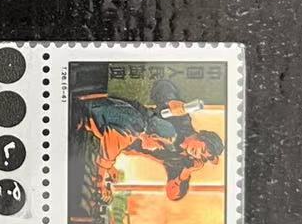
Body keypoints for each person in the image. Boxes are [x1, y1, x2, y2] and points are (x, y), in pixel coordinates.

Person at [78, 78, 223, 201]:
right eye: (203, 149)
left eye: (202, 157)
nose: (198, 154)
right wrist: (170, 101)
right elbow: (163, 85)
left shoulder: (178, 158)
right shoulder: (181, 120)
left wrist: (186, 173)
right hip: (119, 123)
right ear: (202, 136)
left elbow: (173, 192)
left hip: (113, 138)